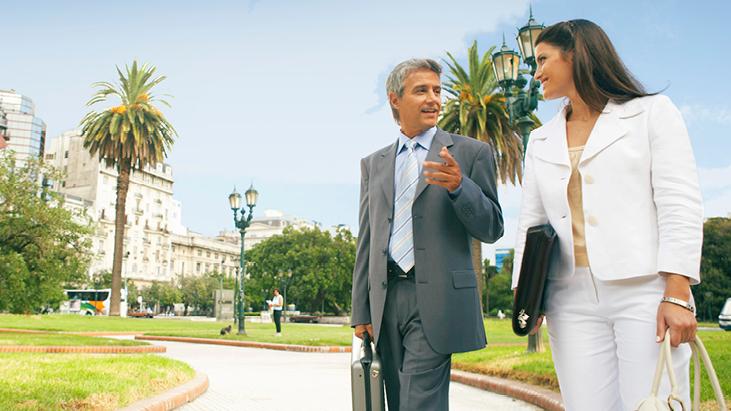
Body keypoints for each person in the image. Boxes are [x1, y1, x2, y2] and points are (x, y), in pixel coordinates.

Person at [512, 19, 702, 411]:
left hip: (644, 290)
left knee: (651, 403)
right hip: (569, 297)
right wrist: (525, 295)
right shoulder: (539, 138)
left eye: (543, 59)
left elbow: (679, 202)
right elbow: (531, 222)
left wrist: (678, 292)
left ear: (577, 54)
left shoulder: (651, 113)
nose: (537, 73)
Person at [351, 58, 503, 410]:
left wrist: (460, 187)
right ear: (394, 99)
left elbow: (493, 226)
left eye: (437, 90)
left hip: (436, 300)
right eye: (421, 90)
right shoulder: (373, 164)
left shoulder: (471, 153)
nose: (433, 99)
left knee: (419, 401)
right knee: (397, 400)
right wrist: (361, 310)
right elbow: (367, 240)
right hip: (386, 300)